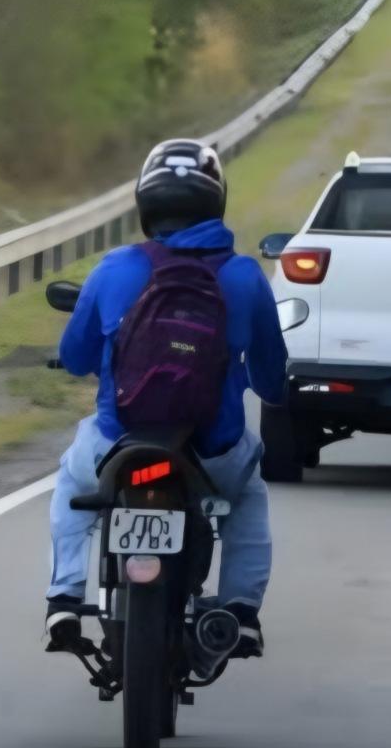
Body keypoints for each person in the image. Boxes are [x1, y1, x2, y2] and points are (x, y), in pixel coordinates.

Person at [44, 139, 288, 657]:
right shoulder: (244, 277)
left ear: (145, 203)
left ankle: (65, 597)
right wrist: (269, 387)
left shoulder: (115, 268)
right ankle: (240, 613)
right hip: (213, 455)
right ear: (215, 202)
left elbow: (75, 356)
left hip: (117, 444)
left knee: (71, 479)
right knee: (247, 497)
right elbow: (271, 378)